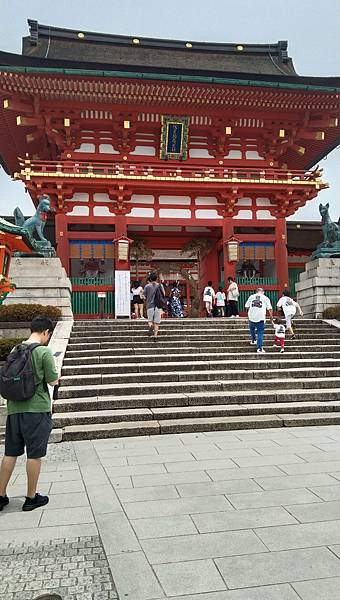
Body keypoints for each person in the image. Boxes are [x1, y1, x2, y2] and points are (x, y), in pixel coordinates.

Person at [0, 316, 59, 512]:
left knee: (10, 453)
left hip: (14, 408)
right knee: (34, 454)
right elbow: (52, 380)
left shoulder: (15, 349)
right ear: (45, 332)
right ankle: (31, 498)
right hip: (36, 409)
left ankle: (0, 496)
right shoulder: (43, 352)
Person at [245, 287, 273, 353]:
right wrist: (271, 316)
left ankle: (254, 340)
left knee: (252, 328)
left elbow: (246, 306)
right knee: (260, 333)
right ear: (262, 292)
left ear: (256, 291)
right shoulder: (265, 298)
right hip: (261, 317)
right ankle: (259, 348)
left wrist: (249, 313)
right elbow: (270, 308)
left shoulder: (251, 297)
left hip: (251, 317)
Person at [144, 272, 165, 341]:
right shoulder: (160, 285)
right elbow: (163, 294)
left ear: (150, 279)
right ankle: (155, 337)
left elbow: (144, 296)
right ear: (156, 279)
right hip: (158, 306)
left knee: (150, 321)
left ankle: (151, 326)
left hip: (150, 305)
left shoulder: (147, 286)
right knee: (157, 323)